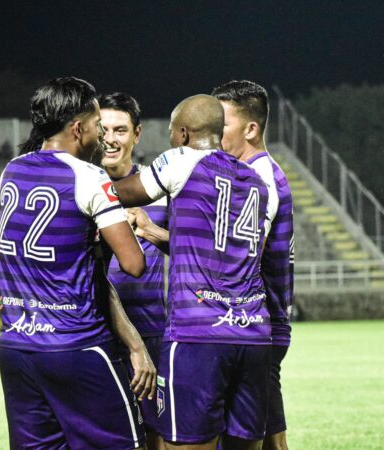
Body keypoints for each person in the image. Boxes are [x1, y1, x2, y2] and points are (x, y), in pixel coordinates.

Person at [0, 77, 154, 449]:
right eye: (98, 125)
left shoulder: (12, 171)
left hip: (17, 349)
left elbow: (32, 259)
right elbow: (133, 264)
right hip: (75, 347)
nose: (102, 135)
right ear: (78, 128)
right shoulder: (89, 177)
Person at [113, 94, 271, 450]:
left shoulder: (181, 159)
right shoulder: (255, 182)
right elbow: (219, 251)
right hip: (253, 334)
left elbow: (121, 192)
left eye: (172, 131)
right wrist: (152, 231)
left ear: (183, 134)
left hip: (198, 334)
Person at [212, 80, 295, 450]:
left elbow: (243, 255)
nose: (214, 133)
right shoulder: (256, 172)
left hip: (255, 327)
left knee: (240, 441)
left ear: (250, 129)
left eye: (222, 124)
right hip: (260, 326)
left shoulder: (258, 179)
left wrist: (159, 235)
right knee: (271, 439)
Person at [99, 91, 168, 450]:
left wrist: (151, 231)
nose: (110, 139)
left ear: (137, 134)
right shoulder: (83, 188)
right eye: (103, 129)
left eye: (120, 130)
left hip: (152, 330)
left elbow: (190, 250)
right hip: (98, 333)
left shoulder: (160, 188)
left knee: (160, 436)